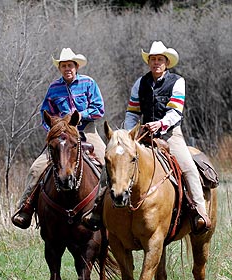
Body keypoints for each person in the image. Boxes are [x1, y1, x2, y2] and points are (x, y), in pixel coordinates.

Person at [84, 40, 211, 234]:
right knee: (111, 166)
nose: (156, 63)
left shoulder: (177, 81)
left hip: (169, 134)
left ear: (166, 62)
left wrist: (160, 124)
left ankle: (199, 211)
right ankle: (97, 210)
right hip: (141, 135)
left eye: (160, 59)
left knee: (188, 167)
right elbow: (132, 112)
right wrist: (128, 135)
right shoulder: (140, 83)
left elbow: (175, 112)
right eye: (152, 59)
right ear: (149, 62)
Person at [12, 47, 106, 229]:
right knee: (36, 168)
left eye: (70, 65)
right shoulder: (54, 88)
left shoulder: (88, 83)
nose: (67, 69)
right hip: (61, 135)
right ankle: (25, 208)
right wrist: (55, 130)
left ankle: (107, 209)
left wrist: (78, 115)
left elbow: (99, 108)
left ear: (76, 66)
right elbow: (45, 113)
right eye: (63, 66)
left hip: (87, 130)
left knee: (106, 162)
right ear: (60, 68)